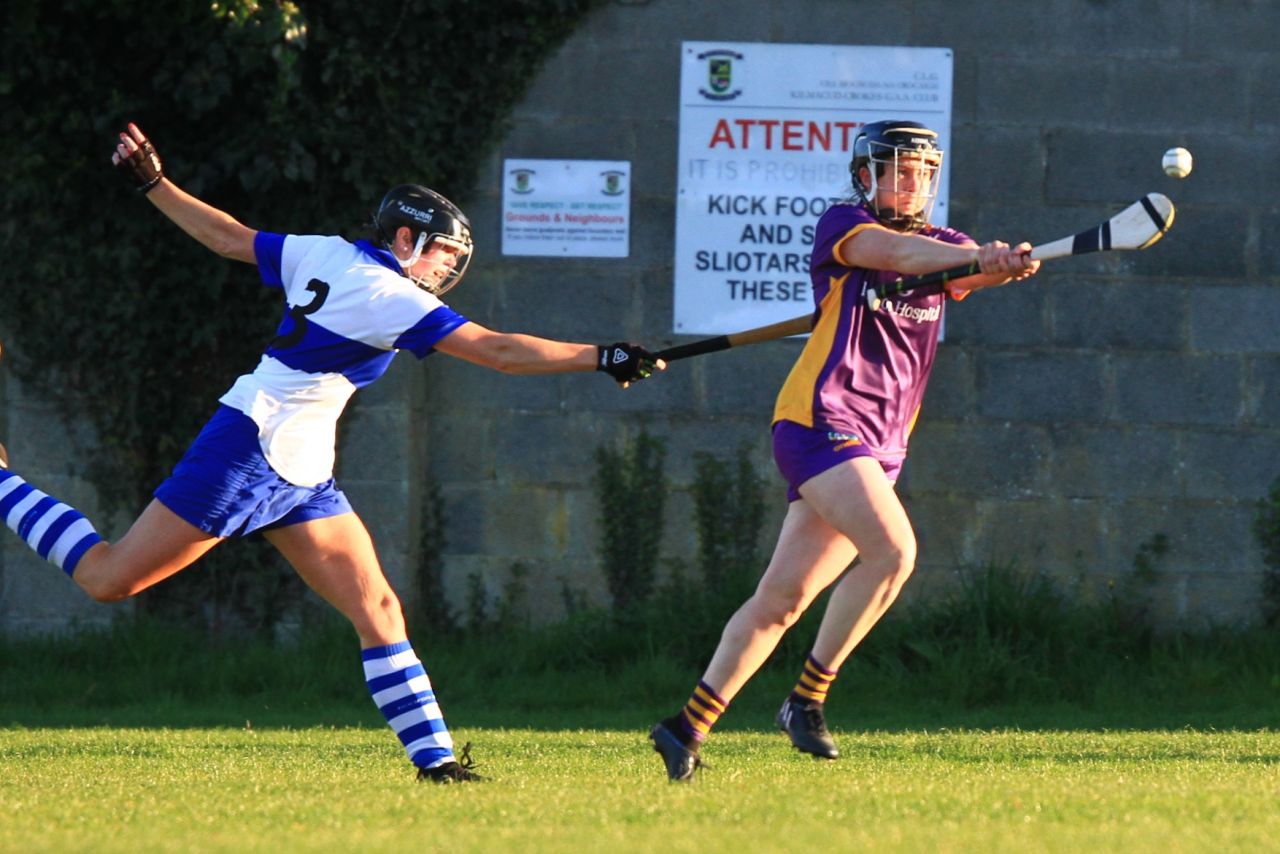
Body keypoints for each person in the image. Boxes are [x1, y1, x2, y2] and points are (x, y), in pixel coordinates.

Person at [0, 122, 663, 784]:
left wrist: (154, 183)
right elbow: (499, 352)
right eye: (441, 255)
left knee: (377, 608)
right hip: (249, 450)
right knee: (109, 579)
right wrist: (599, 357)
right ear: (405, 238)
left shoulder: (323, 252)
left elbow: (227, 237)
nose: (446, 271)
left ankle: (435, 763)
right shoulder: (385, 294)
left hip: (300, 466)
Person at [649, 120, 1040, 781]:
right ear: (866, 176)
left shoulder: (945, 245)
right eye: (897, 168)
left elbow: (963, 269)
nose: (911, 181)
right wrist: (974, 260)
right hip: (821, 420)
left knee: (783, 599)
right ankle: (806, 700)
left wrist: (1001, 264)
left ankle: (684, 728)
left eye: (922, 170)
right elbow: (905, 258)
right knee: (895, 552)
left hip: (884, 443)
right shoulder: (845, 226)